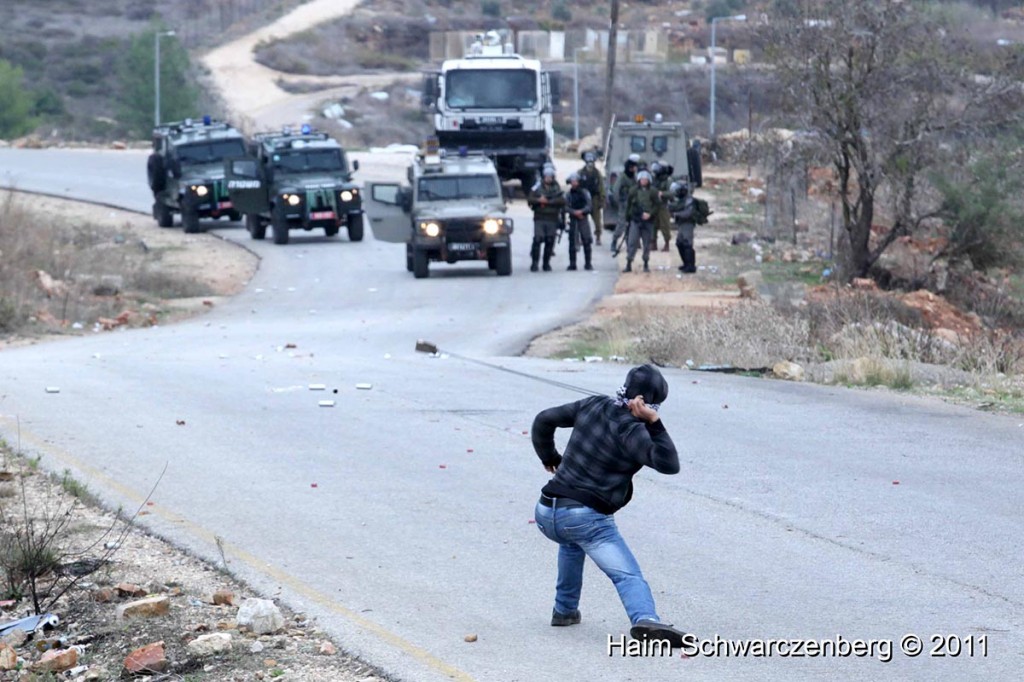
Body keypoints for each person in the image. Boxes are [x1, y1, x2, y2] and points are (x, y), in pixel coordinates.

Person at [531, 364, 688, 648]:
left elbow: (543, 419)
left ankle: (564, 610)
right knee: (626, 574)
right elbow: (669, 464)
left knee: (572, 540)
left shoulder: (592, 404)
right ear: (650, 404)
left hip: (546, 510)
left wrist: (549, 456)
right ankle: (646, 618)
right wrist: (654, 423)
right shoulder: (634, 433)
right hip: (581, 517)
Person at [527, 168, 566, 272]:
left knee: (550, 240)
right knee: (537, 239)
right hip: (539, 217)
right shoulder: (537, 187)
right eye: (546, 177)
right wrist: (539, 200)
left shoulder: (556, 188)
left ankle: (546, 263)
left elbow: (562, 200)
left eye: (550, 177)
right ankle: (534, 263)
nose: (548, 179)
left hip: (552, 218)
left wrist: (549, 202)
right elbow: (530, 199)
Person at [623, 169, 661, 273]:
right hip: (635, 220)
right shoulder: (633, 191)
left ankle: (646, 263)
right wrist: (627, 219)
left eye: (645, 179)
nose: (643, 181)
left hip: (648, 222)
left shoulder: (653, 191)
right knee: (632, 242)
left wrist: (650, 214)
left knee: (647, 243)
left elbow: (657, 205)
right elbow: (629, 206)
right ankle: (629, 263)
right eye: (642, 179)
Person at [610, 154, 640, 256]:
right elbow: (615, 190)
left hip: (633, 204)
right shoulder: (623, 177)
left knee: (633, 225)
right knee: (621, 224)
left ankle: (630, 243)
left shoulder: (635, 177)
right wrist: (619, 202)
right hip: (624, 204)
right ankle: (614, 241)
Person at [564, 173, 594, 271]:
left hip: (583, 219)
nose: (574, 183)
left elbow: (589, 205)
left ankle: (588, 263)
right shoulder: (568, 194)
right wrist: (574, 212)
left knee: (587, 240)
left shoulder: (585, 193)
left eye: (575, 181)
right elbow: (565, 206)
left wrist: (582, 212)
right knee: (572, 241)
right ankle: (572, 264)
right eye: (572, 181)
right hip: (573, 219)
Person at [667, 182, 698, 273]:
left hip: (688, 224)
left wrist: (675, 214)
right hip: (681, 224)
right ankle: (686, 263)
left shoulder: (689, 200)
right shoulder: (680, 200)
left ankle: (691, 266)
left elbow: (688, 213)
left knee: (687, 244)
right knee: (679, 243)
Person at [577, 151, 605, 246]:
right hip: (583, 199)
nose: (590, 162)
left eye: (591, 160)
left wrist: (602, 199)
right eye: (588, 160)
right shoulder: (580, 173)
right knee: (582, 220)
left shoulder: (597, 173)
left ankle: (598, 237)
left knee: (597, 220)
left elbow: (601, 187)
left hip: (595, 199)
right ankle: (582, 237)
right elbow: (576, 186)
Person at [650, 162, 673, 252]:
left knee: (665, 225)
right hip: (654, 205)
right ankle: (653, 243)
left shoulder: (668, 180)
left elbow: (672, 193)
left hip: (663, 206)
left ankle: (667, 243)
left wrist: (662, 194)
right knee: (653, 225)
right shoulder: (654, 179)